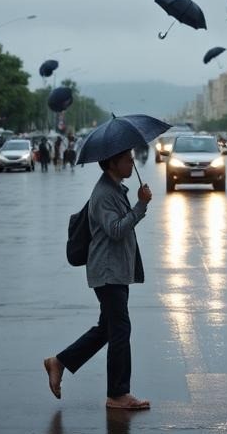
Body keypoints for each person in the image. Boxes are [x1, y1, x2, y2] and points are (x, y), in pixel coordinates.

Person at [43, 149, 153, 410]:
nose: (132, 163)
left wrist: (137, 203)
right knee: (120, 330)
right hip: (107, 272)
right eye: (128, 159)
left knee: (108, 328)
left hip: (115, 271)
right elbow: (116, 230)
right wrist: (141, 206)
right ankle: (117, 394)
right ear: (114, 163)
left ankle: (59, 362)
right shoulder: (103, 193)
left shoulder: (115, 188)